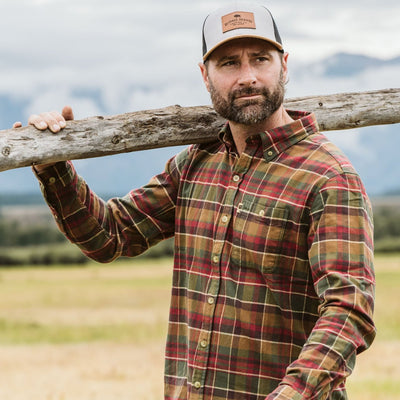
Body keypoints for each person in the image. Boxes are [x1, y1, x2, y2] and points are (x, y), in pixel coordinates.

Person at [14, 3, 376, 399]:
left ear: (284, 65)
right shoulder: (196, 164)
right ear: (205, 75)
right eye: (229, 63)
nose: (248, 77)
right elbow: (110, 235)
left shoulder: (328, 177)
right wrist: (53, 166)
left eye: (260, 59)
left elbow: (349, 310)